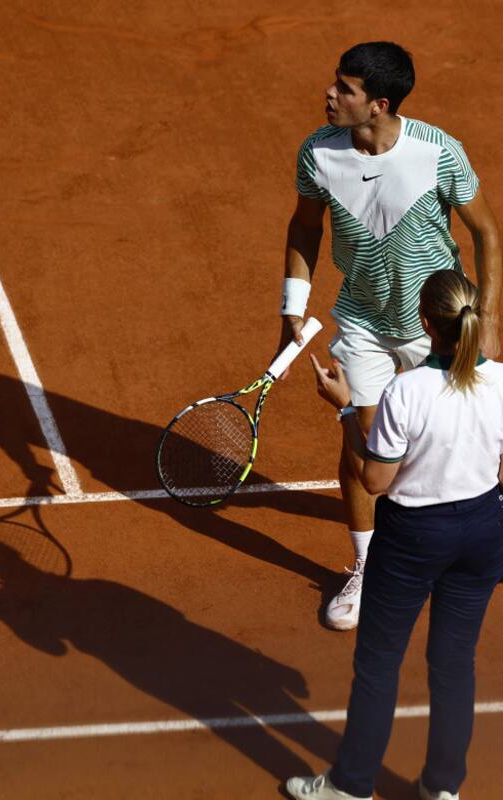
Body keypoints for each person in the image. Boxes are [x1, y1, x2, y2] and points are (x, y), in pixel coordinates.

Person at [278, 41, 500, 630]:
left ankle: (464, 539)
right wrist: (291, 308)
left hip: (438, 322)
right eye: (335, 83)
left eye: (344, 89)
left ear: (378, 104)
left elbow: (487, 234)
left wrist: (492, 316)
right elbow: (305, 226)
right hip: (363, 319)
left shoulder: (438, 152)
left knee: (467, 438)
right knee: (364, 447)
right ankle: (367, 565)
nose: (329, 94)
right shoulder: (317, 154)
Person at [286, 270, 503, 800]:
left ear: (426, 323)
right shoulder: (501, 381)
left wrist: (343, 409)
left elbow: (375, 479)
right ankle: (443, 788)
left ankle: (352, 785)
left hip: (413, 539)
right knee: (454, 662)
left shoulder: (406, 391)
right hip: (482, 532)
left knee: (379, 662)